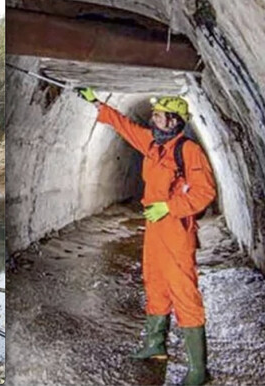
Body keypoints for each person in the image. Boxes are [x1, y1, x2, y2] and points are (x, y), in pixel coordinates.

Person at [76, 87, 217, 386]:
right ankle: (156, 344)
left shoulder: (188, 151)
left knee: (183, 291)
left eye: (160, 117)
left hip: (176, 229)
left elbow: (205, 192)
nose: (154, 121)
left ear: (175, 121)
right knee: (155, 282)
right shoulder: (153, 144)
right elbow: (125, 126)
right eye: (153, 116)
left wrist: (169, 206)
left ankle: (198, 370)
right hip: (155, 228)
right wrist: (96, 103)